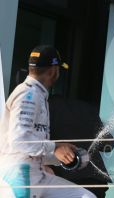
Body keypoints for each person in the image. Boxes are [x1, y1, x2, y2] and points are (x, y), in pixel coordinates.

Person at [0, 45, 96, 197]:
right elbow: (19, 141)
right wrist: (55, 147)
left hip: (37, 174)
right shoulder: (28, 94)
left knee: (86, 196)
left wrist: (61, 156)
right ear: (53, 71)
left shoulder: (38, 94)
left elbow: (33, 150)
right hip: (19, 175)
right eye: (58, 69)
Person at [49, 95, 114, 198]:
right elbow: (108, 145)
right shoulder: (86, 108)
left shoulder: (44, 107)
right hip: (94, 181)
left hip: (63, 179)